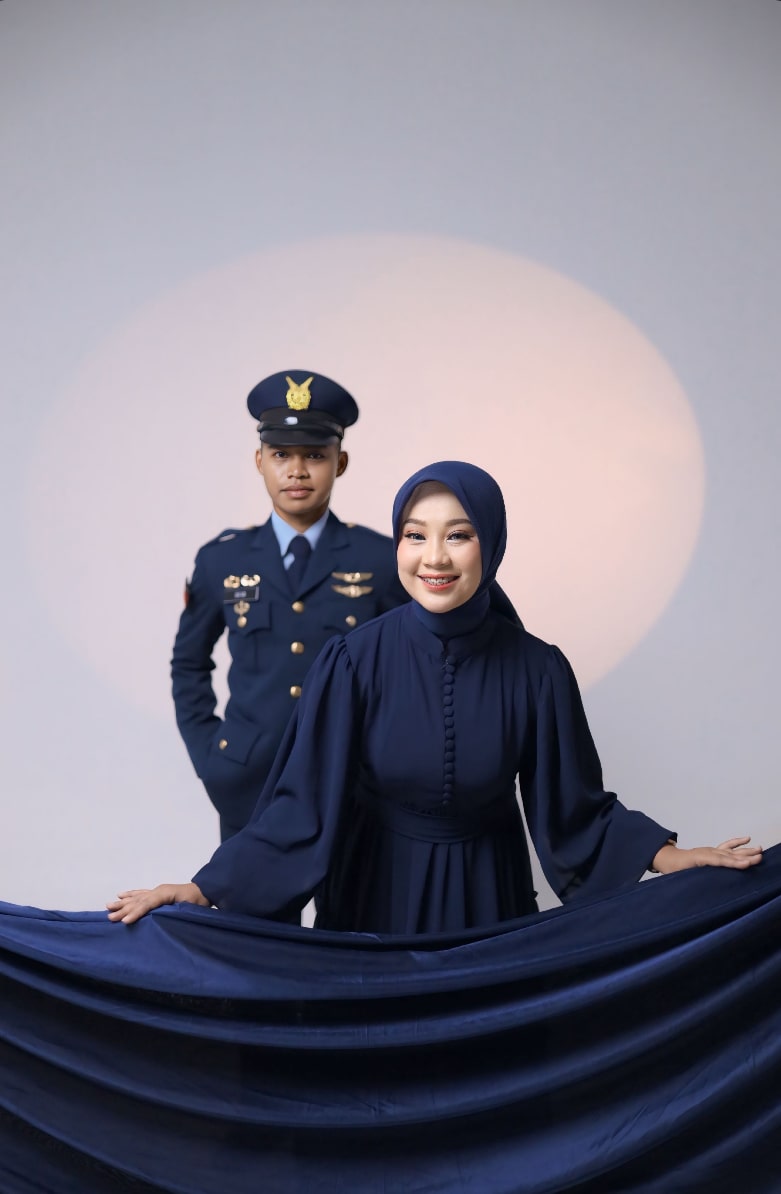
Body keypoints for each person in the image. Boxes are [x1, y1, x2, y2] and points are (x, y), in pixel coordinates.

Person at [112, 461, 762, 932]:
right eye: (415, 535)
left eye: (458, 534)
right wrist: (202, 887)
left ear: (491, 543)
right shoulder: (351, 661)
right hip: (371, 898)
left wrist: (669, 857)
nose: (435, 558)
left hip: (488, 898)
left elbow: (576, 810)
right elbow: (298, 809)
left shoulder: (537, 670)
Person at [171, 369, 407, 841]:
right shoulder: (222, 560)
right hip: (248, 784)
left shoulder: (382, 560)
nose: (297, 471)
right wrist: (211, 756)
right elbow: (188, 663)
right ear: (259, 461)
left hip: (353, 781)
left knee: (353, 894)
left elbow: (410, 670)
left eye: (315, 455)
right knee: (250, 894)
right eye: (281, 454)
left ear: (340, 462)